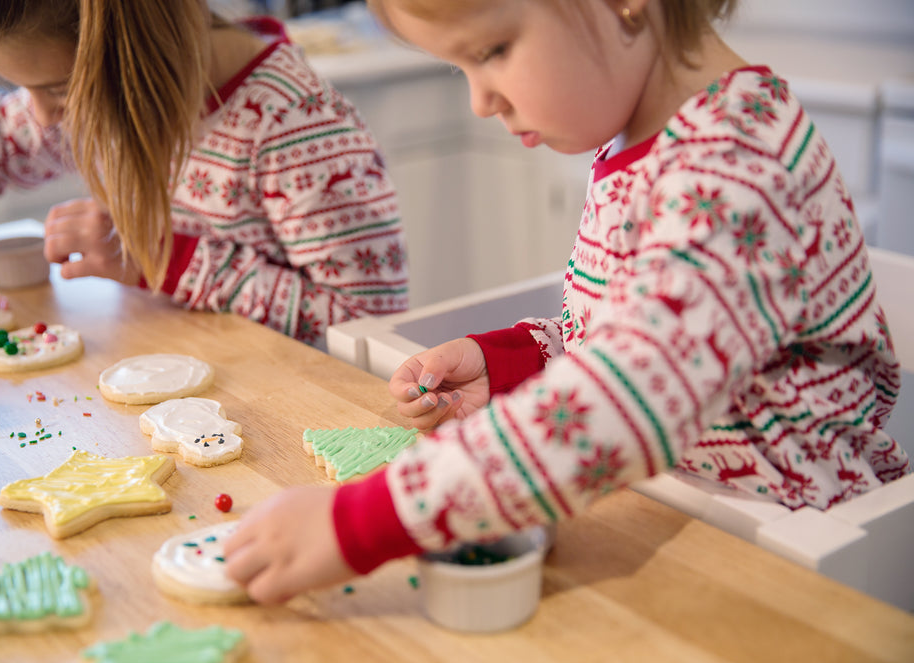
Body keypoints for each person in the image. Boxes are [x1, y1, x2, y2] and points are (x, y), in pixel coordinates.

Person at [223, 0, 912, 603]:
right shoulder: (649, 136)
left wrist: (359, 523)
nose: (479, 102)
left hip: (797, 558)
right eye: (459, 68)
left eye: (491, 52)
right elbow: (635, 331)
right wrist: (517, 361)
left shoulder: (733, 167)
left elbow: (627, 394)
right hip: (683, 511)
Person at [0, 0, 408, 349]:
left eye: (60, 89)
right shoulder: (104, 102)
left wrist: (159, 256)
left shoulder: (296, 122)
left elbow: (365, 325)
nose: (41, 117)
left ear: (142, 49)